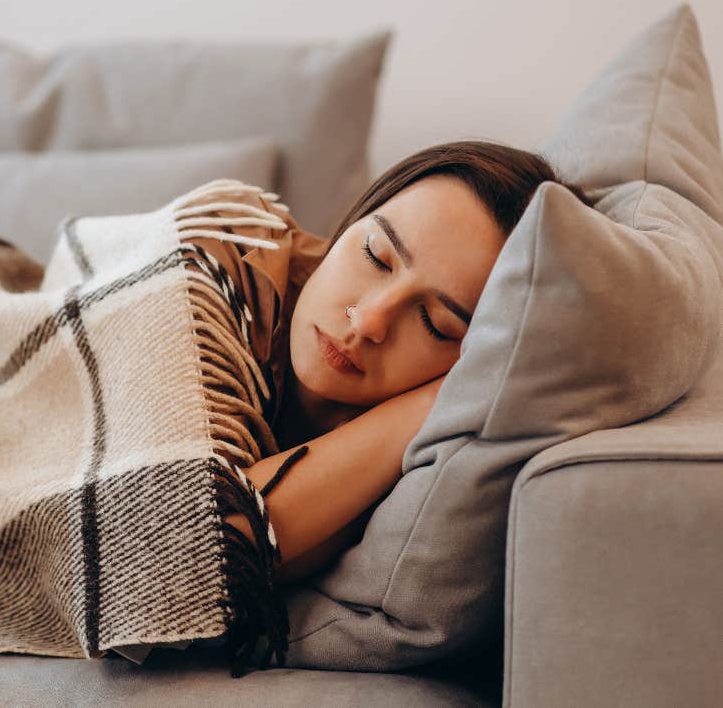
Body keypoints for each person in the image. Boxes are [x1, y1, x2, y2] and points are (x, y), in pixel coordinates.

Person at [221, 139, 594, 585]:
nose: (369, 320)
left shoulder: (421, 475)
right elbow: (164, 557)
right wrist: (423, 405)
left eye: (436, 324)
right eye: (375, 256)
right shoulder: (222, 253)